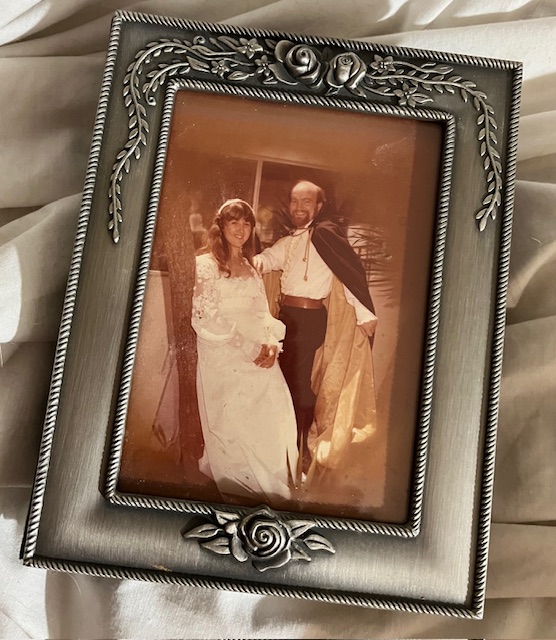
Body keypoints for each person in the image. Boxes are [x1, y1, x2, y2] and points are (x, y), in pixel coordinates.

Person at [254, 180, 377, 473]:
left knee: (296, 384)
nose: (299, 207)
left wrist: (365, 314)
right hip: (286, 318)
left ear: (319, 206)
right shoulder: (291, 240)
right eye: (295, 201)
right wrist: (252, 261)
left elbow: (347, 275)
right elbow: (269, 259)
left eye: (306, 201)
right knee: (285, 381)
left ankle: (298, 450)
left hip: (308, 320)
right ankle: (285, 444)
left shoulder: (324, 235)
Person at [191, 198, 298, 504]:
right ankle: (243, 480)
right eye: (233, 222)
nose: (241, 229)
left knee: (275, 401)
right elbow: (205, 317)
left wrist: (271, 342)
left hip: (255, 346)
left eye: (246, 223)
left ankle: (269, 479)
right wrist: (247, 347)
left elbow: (262, 313)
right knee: (237, 411)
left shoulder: (251, 267)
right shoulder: (205, 264)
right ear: (221, 226)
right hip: (222, 348)